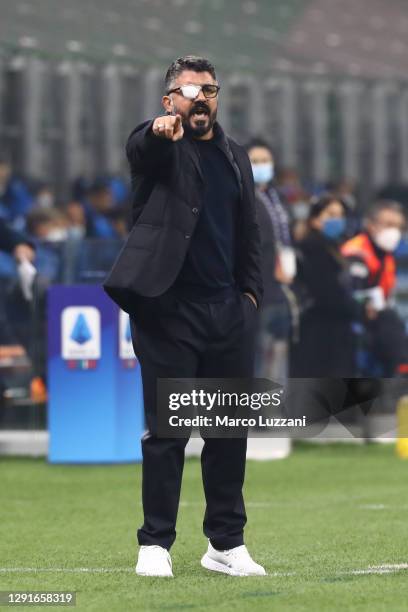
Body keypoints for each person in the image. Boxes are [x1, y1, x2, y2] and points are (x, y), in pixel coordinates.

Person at [104, 55, 265, 577]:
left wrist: (250, 298)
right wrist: (157, 132)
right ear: (169, 100)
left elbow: (249, 234)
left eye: (210, 89)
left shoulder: (235, 156)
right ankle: (155, 543)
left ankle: (225, 542)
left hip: (227, 312)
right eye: (190, 91)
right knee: (168, 431)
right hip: (168, 310)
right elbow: (140, 145)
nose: (202, 99)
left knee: (226, 433)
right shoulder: (160, 146)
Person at [290, 194, 360, 377]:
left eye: (340, 214)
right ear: (314, 220)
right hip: (319, 328)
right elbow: (325, 290)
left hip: (334, 325)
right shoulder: (313, 247)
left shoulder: (334, 246)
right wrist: (355, 307)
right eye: (330, 214)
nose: (337, 219)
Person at [246, 139, 295, 382]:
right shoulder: (241, 198)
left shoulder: (278, 199)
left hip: (281, 290)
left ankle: (271, 412)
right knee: (257, 356)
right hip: (256, 291)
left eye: (265, 161)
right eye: (254, 161)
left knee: (277, 356)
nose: (261, 166)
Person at [341, 200, 407, 376]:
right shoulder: (356, 251)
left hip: (378, 315)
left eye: (399, 227)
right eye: (388, 224)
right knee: (390, 323)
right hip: (354, 315)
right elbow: (348, 291)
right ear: (370, 224)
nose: (394, 231)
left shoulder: (385, 253)